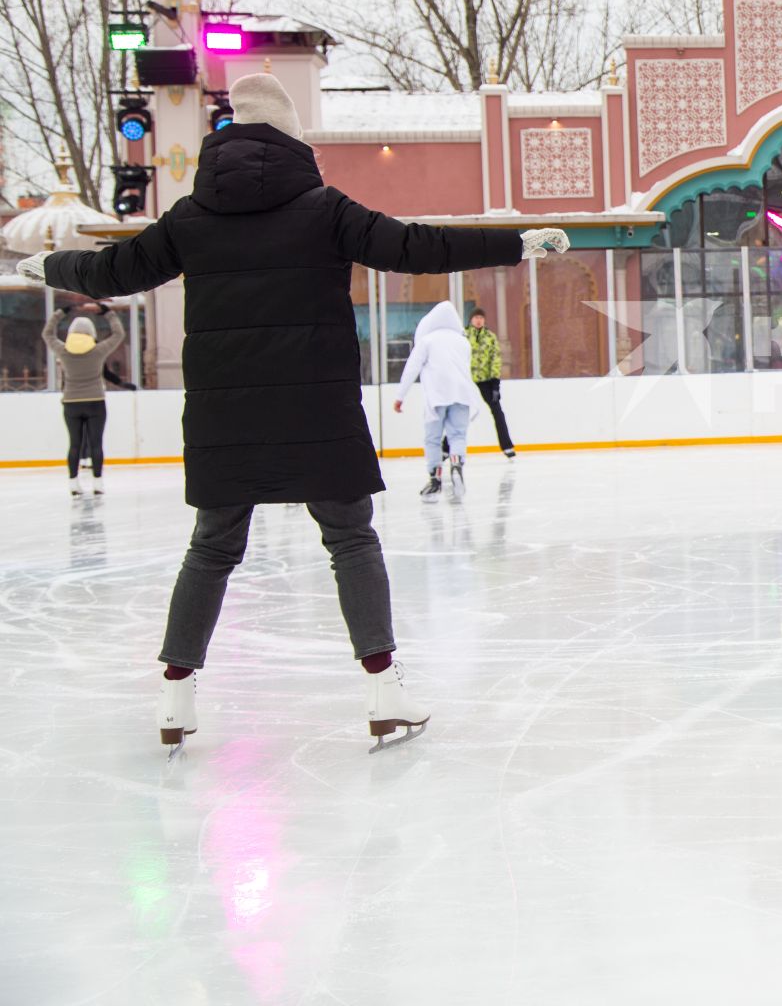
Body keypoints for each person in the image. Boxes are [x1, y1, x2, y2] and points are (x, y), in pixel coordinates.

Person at [15, 72, 569, 754]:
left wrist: (47, 265)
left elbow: (112, 274)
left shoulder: (190, 218)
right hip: (317, 406)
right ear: (291, 138)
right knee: (351, 541)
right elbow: (416, 246)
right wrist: (516, 244)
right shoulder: (322, 208)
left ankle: (175, 696)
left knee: (212, 548)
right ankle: (383, 690)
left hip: (226, 416)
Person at [395, 301, 482, 501]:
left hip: (437, 395)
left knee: (433, 439)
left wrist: (400, 396)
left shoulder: (427, 341)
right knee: (458, 435)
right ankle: (457, 463)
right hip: (462, 394)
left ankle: (435, 480)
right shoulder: (463, 342)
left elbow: (412, 368)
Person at [42, 301, 125, 495]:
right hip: (95, 401)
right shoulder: (98, 351)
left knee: (75, 444)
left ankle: (73, 483)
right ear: (91, 334)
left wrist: (60, 313)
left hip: (71, 403)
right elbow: (119, 334)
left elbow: (47, 334)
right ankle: (97, 483)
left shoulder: (63, 351)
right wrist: (108, 312)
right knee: (96, 443)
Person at [466, 307, 516, 458]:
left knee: (498, 412)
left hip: (486, 380)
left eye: (481, 317)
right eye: (476, 318)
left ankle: (507, 446)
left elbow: (496, 359)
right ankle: (446, 448)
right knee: (460, 413)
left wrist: (495, 384)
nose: (479, 320)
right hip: (467, 380)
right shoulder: (464, 335)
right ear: (471, 320)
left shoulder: (490, 337)